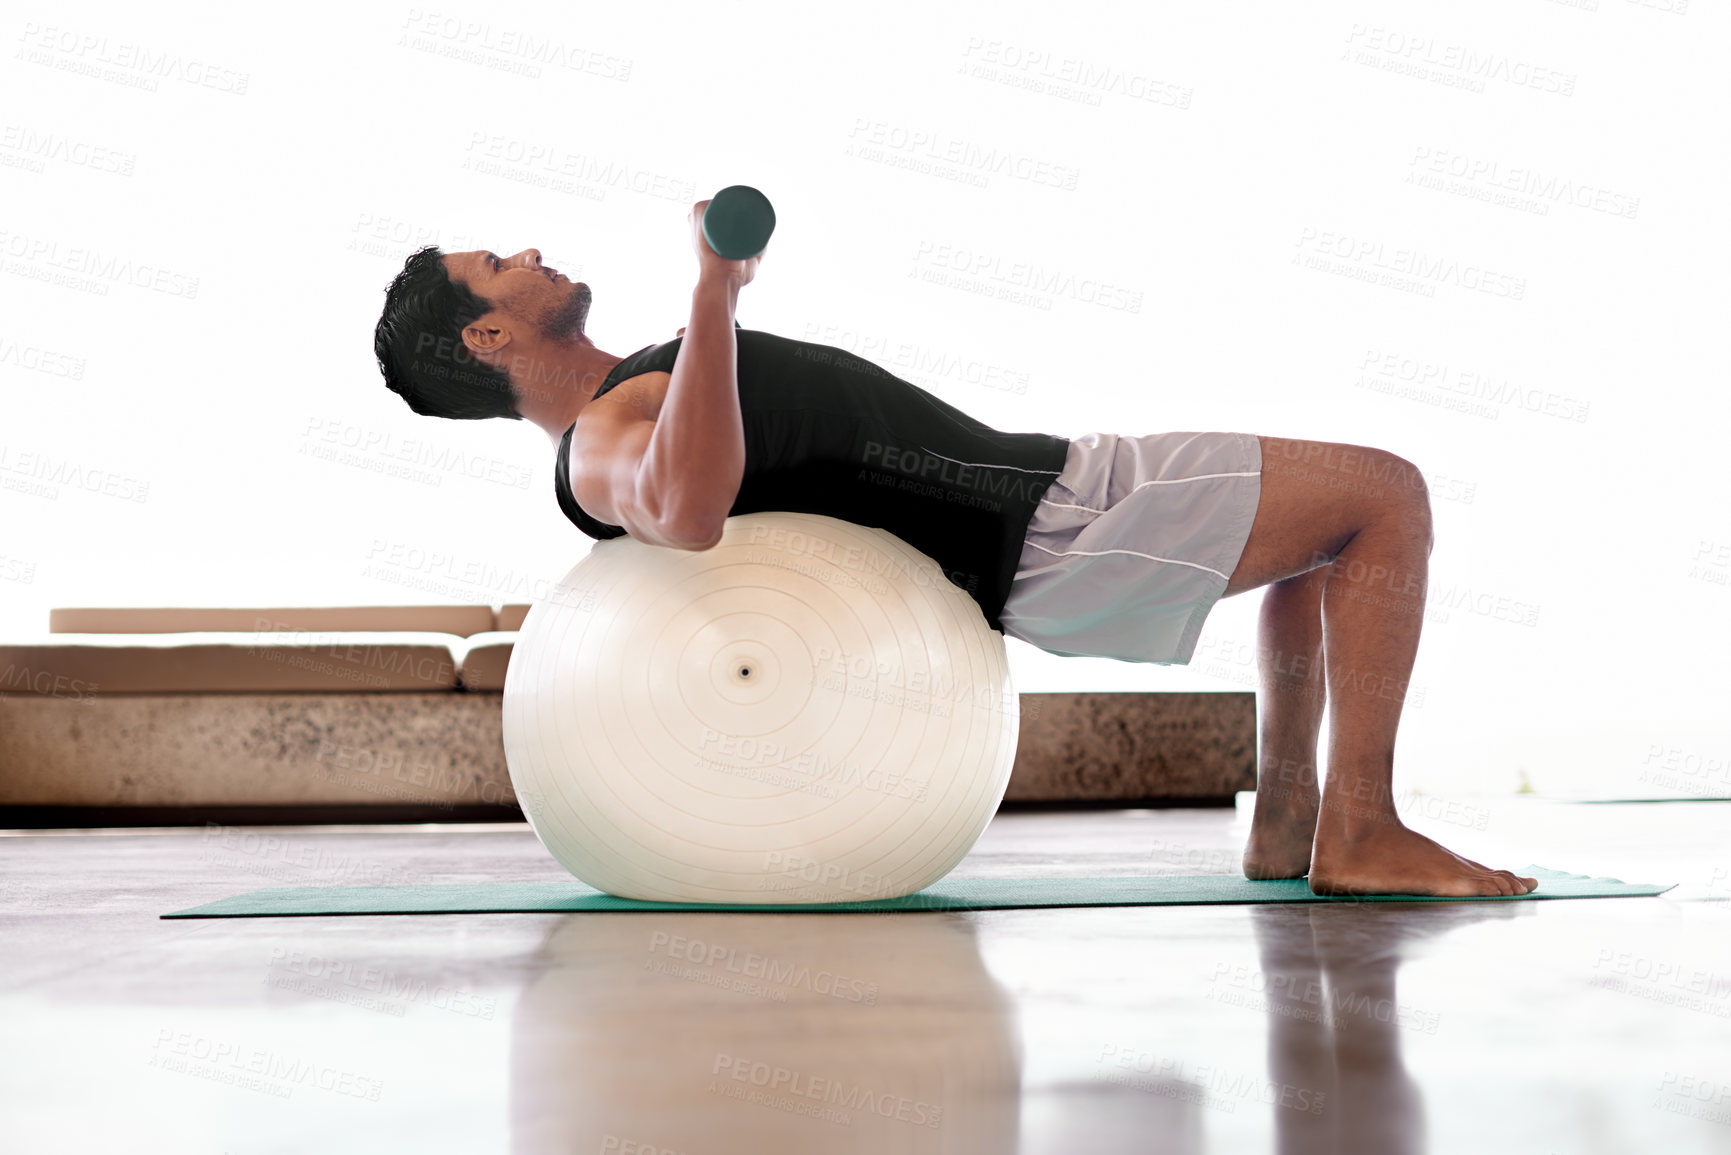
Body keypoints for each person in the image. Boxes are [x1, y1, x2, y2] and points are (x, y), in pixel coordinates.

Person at [372, 200, 1537, 900]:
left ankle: (1295, 821)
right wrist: (715, 291)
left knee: (1331, 535)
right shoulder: (597, 441)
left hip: (1062, 481)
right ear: (486, 333)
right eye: (495, 265)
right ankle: (1363, 828)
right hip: (1048, 532)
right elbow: (683, 508)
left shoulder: (638, 387)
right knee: (1389, 499)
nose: (525, 251)